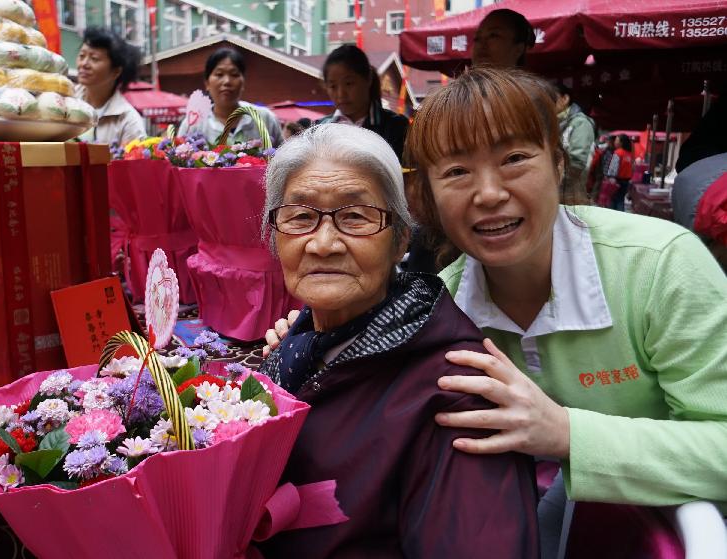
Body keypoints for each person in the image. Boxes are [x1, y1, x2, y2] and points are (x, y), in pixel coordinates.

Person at [267, 68, 727, 559]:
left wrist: (567, 432)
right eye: (457, 171)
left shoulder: (659, 265)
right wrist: (311, 347)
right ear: (428, 198)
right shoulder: (441, 310)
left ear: (557, 164)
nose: (488, 194)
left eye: (513, 159)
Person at [256, 123, 539, 558]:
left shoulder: (459, 392)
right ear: (275, 235)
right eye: (300, 217)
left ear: (400, 239)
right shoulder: (293, 353)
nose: (324, 243)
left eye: (355, 217)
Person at [318, 44, 409, 162]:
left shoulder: (395, 126)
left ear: (368, 79)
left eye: (349, 83)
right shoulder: (320, 129)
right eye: (333, 86)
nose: (341, 94)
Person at [177, 48, 282, 147]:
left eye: (234, 74)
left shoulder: (265, 118)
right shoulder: (193, 124)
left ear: (243, 82)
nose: (227, 81)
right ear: (207, 83)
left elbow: (284, 161)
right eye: (219, 74)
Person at [74, 27, 146, 146]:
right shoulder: (65, 100)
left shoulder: (128, 120)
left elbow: (134, 161)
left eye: (94, 59)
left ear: (116, 72)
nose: (84, 64)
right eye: (82, 56)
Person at [554, 82, 595, 190]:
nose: (547, 103)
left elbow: (577, 162)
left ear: (565, 99)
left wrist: (552, 181)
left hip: (569, 191)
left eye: (552, 98)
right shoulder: (558, 123)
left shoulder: (580, 123)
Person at [604, 133, 634, 211]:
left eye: (617, 140)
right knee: (621, 200)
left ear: (621, 143)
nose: (615, 142)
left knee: (614, 200)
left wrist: (610, 177)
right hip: (626, 181)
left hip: (616, 180)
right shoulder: (629, 154)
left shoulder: (618, 152)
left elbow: (613, 167)